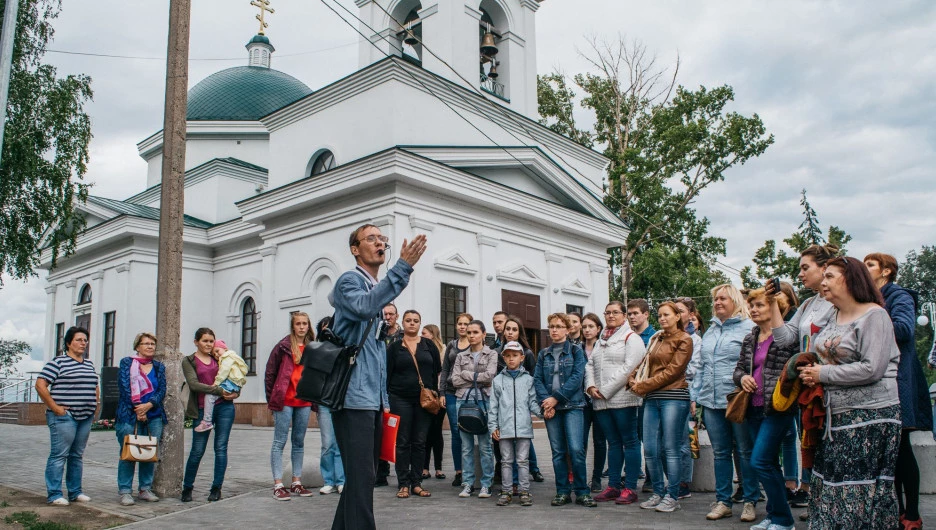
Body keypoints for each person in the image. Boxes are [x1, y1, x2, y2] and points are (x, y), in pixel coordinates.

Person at [328, 224, 426, 530]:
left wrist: (383, 402)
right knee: (361, 479)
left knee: (363, 478)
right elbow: (365, 307)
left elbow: (376, 359)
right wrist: (403, 268)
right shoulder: (350, 282)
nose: (380, 242)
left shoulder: (374, 287)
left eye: (382, 238)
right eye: (371, 238)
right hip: (352, 399)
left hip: (370, 401)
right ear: (355, 249)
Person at [796, 256, 901, 529]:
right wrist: (811, 371)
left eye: (830, 276)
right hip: (835, 418)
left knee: (857, 489)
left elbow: (872, 368)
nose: (824, 281)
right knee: (831, 485)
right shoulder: (832, 314)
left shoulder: (875, 315)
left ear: (850, 279)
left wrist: (822, 374)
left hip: (870, 418)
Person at [767, 243, 839, 514]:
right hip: (807, 387)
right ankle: (818, 504)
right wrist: (773, 302)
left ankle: (828, 506)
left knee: (828, 449)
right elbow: (784, 338)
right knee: (811, 447)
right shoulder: (809, 303)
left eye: (805, 268)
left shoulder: (837, 302)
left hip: (831, 384)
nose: (800, 274)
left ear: (824, 269)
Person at [865, 252, 933, 529]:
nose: (865, 268)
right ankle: (898, 511)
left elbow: (904, 329)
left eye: (870, 264)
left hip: (900, 381)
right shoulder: (868, 300)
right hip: (879, 381)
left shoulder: (899, 297)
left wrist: (870, 324)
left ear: (886, 271)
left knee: (902, 448)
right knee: (888, 451)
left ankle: (913, 515)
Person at [689, 284, 758, 522]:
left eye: (723, 298)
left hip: (737, 399)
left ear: (735, 301)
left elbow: (755, 364)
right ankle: (723, 501)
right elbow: (701, 367)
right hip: (710, 400)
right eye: (715, 299)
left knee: (745, 451)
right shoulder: (710, 331)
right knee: (720, 453)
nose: (717, 302)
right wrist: (695, 396)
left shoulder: (750, 328)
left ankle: (750, 500)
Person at [733, 289, 798, 530]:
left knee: (759, 460)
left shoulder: (786, 336)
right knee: (769, 462)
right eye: (752, 305)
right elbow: (738, 369)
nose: (753, 309)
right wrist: (742, 379)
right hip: (753, 407)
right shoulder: (751, 338)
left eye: (759, 305)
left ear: (774, 308)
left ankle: (784, 519)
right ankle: (773, 515)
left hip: (778, 408)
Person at [628, 301, 692, 513]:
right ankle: (657, 492)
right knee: (651, 449)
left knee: (670, 449)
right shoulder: (656, 338)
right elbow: (645, 362)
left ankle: (672, 495)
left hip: (674, 396)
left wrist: (642, 385)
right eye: (660, 315)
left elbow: (673, 371)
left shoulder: (685, 339)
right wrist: (632, 378)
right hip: (652, 398)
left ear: (677, 317)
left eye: (667, 315)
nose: (662, 318)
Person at [585, 302, 646, 505]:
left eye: (615, 312)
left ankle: (629, 487)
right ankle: (612, 486)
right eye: (607, 312)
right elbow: (590, 364)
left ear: (624, 315)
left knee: (629, 441)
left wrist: (606, 390)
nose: (610, 315)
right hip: (601, 401)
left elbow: (631, 367)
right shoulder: (602, 339)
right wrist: (591, 387)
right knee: (613, 443)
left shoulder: (632, 338)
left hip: (623, 400)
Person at [536, 313, 597, 508]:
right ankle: (562, 491)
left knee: (577, 449)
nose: (554, 330)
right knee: (557, 451)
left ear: (568, 329)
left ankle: (581, 491)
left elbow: (577, 378)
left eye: (559, 326)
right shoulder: (543, 353)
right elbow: (537, 379)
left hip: (573, 406)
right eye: (551, 326)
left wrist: (555, 398)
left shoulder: (576, 351)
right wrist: (546, 402)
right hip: (551, 408)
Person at [36, 326, 98, 506]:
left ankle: (75, 491)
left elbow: (95, 385)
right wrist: (55, 407)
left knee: (77, 455)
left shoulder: (89, 364)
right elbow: (40, 385)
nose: (83, 343)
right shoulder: (58, 362)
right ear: (69, 343)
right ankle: (54, 494)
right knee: (59, 455)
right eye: (79, 340)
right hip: (65, 417)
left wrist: (95, 405)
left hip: (85, 416)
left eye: (85, 340)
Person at [387, 310, 441, 499]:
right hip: (399, 398)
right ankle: (403, 483)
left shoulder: (429, 346)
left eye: (415, 321)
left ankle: (416, 483)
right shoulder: (394, 347)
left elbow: (436, 372)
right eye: (408, 320)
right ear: (403, 322)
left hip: (424, 401)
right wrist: (387, 400)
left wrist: (436, 393)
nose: (412, 323)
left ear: (420, 323)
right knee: (402, 442)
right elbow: (387, 374)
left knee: (420, 442)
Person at [265, 311, 318, 500]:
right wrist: (272, 399)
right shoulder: (283, 346)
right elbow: (270, 373)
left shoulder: (313, 347)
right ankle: (278, 484)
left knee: (299, 442)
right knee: (279, 441)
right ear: (293, 326)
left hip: (304, 401)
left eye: (305, 323)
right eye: (298, 324)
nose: (302, 327)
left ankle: (296, 482)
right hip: (285, 400)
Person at [182, 328, 239, 502]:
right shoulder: (189, 361)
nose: (208, 344)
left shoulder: (219, 357)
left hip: (224, 408)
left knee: (221, 448)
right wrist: (219, 390)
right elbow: (193, 384)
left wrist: (236, 392)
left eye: (211, 341)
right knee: (197, 450)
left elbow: (233, 376)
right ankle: (187, 487)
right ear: (196, 342)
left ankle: (216, 488)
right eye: (205, 341)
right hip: (201, 410)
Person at [115, 332, 166, 506]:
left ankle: (145, 488)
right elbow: (124, 387)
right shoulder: (127, 363)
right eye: (146, 343)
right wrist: (138, 408)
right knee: (128, 452)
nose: (150, 346)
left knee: (147, 452)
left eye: (152, 343)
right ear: (137, 346)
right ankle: (125, 491)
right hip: (129, 415)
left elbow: (161, 390)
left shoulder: (159, 367)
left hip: (153, 415)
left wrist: (149, 405)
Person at [489, 341, 542, 507]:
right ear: (503, 357)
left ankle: (524, 491)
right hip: (504, 428)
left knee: (522, 460)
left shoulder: (528, 380)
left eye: (515, 356)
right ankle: (506, 491)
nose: (511, 359)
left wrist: (544, 413)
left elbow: (533, 402)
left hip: (524, 428)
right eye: (508, 356)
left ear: (522, 357)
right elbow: (493, 406)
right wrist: (493, 427)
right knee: (506, 461)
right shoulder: (497, 380)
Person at [451, 320, 499, 498]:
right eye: (469, 332)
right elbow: (454, 380)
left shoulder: (492, 354)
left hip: (484, 401)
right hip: (462, 402)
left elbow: (490, 376)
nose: (471, 335)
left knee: (486, 445)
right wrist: (476, 378)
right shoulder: (460, 356)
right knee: (466, 446)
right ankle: (468, 483)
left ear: (483, 334)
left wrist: (466, 375)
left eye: (475, 332)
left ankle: (486, 483)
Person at [497, 316, 544, 490]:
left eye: (514, 329)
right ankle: (510, 483)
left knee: (523, 443)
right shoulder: (498, 352)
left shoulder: (528, 353)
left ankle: (534, 469)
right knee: (506, 452)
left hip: (522, 406)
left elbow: (533, 378)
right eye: (507, 329)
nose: (510, 332)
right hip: (505, 406)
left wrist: (539, 407)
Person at [439, 312, 472, 488]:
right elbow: (445, 370)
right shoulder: (452, 345)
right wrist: (442, 392)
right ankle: (459, 471)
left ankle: (471, 470)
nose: (462, 326)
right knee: (455, 431)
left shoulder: (475, 344)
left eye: (466, 324)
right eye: (459, 323)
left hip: (469, 392)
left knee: (470, 430)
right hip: (451, 392)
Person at [675, 298, 702, 499]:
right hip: (666, 392)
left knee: (684, 440)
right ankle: (671, 480)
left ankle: (683, 482)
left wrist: (670, 371)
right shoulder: (663, 336)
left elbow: (694, 369)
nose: (676, 314)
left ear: (690, 315)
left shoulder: (696, 340)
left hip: (686, 392)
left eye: (680, 310)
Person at [194, 340, 247, 433]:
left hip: (230, 382)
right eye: (214, 354)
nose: (216, 355)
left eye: (217, 351)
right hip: (234, 383)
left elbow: (223, 372)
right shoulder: (232, 357)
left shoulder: (227, 358)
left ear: (225, 348)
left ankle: (206, 421)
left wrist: (216, 384)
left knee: (209, 396)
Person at [580, 312, 608, 493]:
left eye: (591, 326)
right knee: (580, 442)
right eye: (584, 327)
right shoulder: (576, 348)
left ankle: (596, 477)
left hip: (599, 398)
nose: (587, 330)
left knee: (599, 440)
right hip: (581, 402)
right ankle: (580, 478)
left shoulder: (604, 347)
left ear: (598, 329)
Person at [420, 324, 447, 482]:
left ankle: (438, 467)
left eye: (424, 333)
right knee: (425, 432)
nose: (421, 335)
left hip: (438, 395)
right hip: (425, 394)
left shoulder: (443, 350)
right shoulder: (421, 348)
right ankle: (424, 467)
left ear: (432, 334)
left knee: (436, 432)